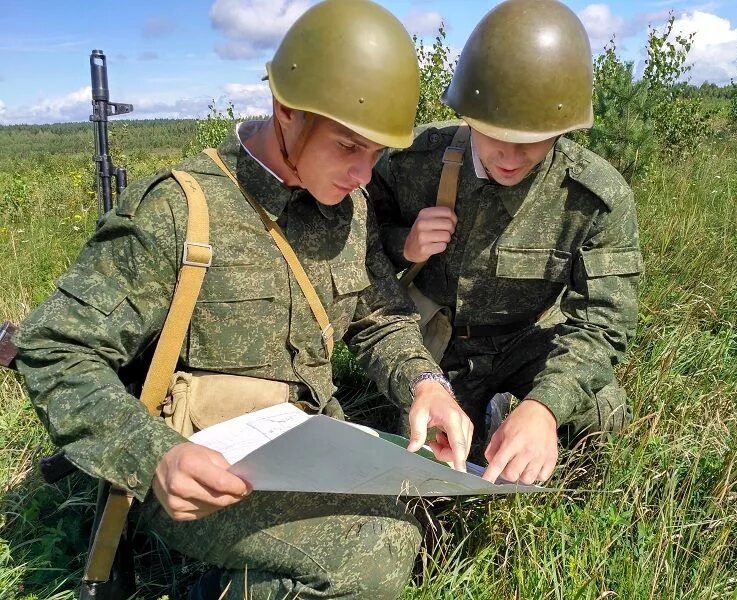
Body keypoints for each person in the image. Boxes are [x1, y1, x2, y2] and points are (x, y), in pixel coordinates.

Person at [14, 1, 474, 598]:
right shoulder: (180, 210)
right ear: (287, 112)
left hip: (307, 447)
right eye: (346, 146)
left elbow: (378, 316)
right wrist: (154, 456)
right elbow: (54, 349)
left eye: (376, 154)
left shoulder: (348, 207)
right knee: (376, 553)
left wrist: (425, 385)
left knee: (418, 517)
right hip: (195, 469)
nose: (363, 175)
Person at [370, 0, 642, 488]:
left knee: (604, 413)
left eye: (533, 141)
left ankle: (515, 409)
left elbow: (603, 321)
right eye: (496, 135)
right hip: (440, 344)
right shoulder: (412, 163)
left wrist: (544, 407)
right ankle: (481, 410)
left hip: (525, 341)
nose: (512, 157)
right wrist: (403, 244)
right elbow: (360, 254)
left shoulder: (595, 197)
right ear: (469, 115)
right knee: (423, 464)